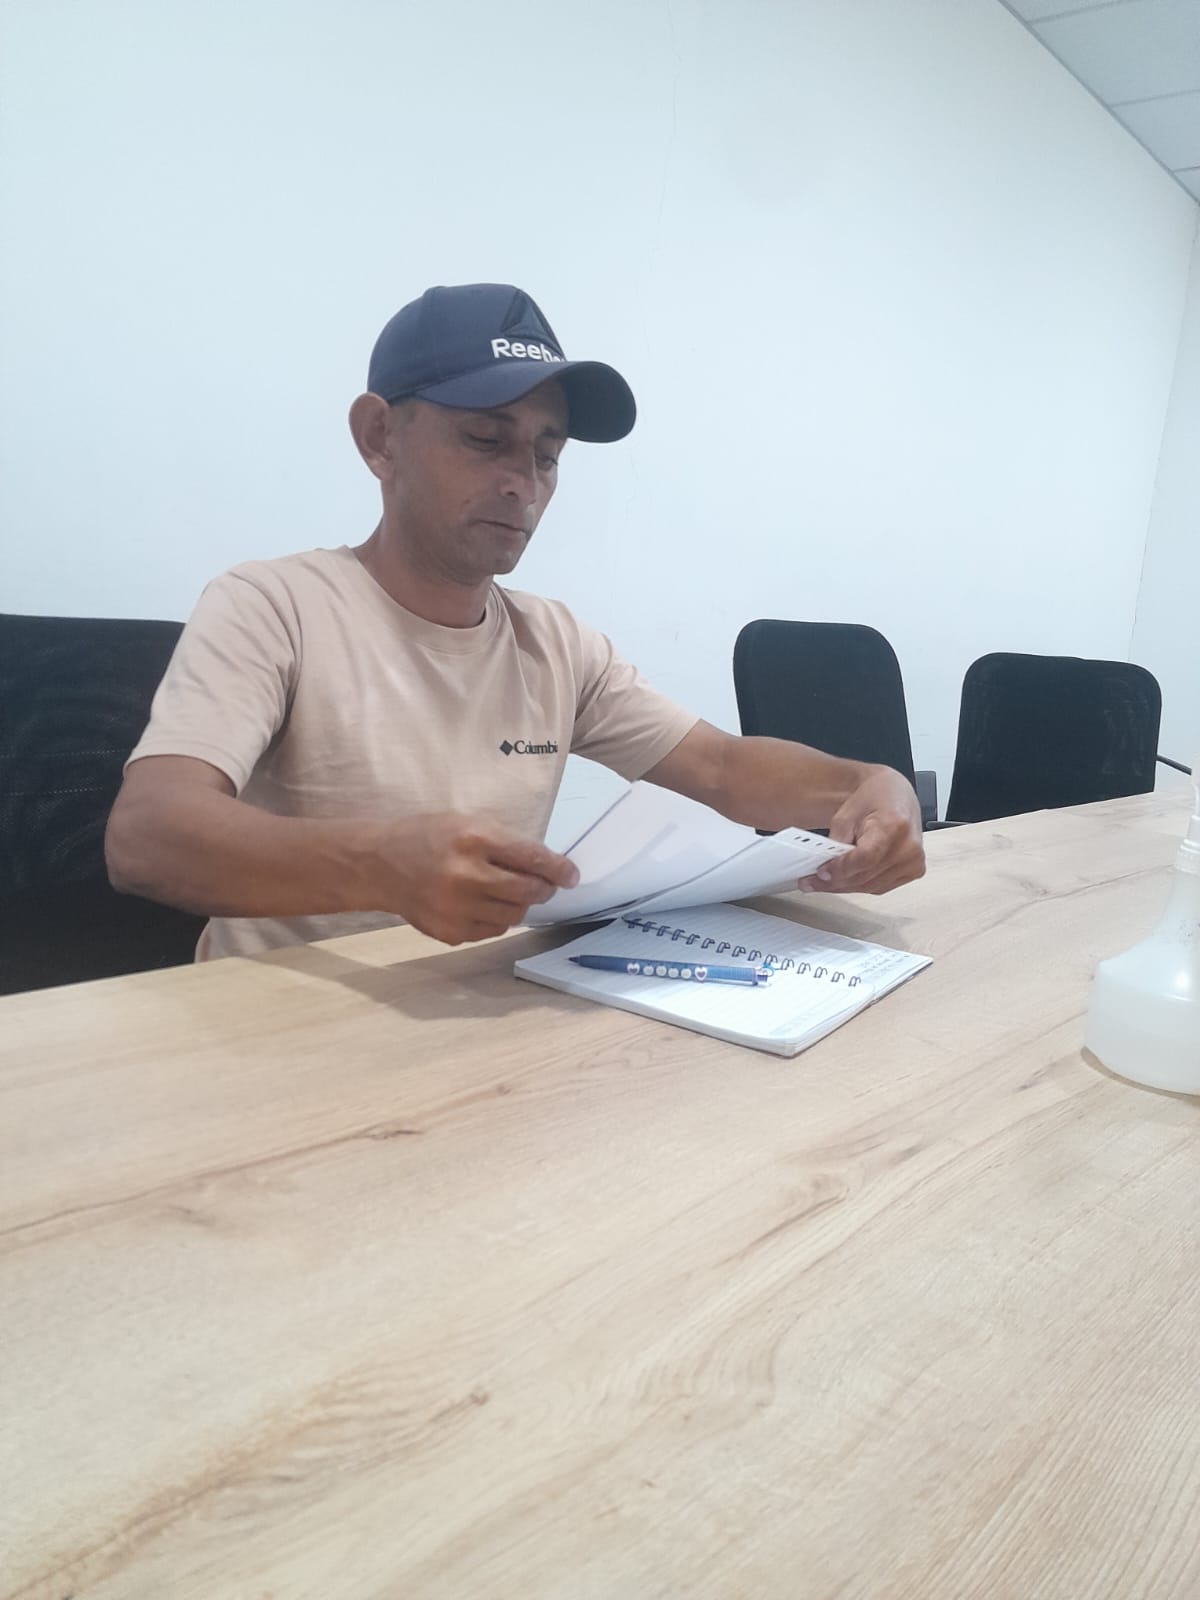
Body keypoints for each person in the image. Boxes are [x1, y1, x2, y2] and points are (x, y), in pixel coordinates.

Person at [106, 283, 925, 959]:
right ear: (380, 437)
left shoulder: (555, 644)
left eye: (546, 454)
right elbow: (146, 835)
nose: (522, 483)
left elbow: (720, 768)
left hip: (474, 1014)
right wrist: (381, 866)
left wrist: (867, 786)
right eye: (484, 439)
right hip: (276, 1030)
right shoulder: (273, 605)